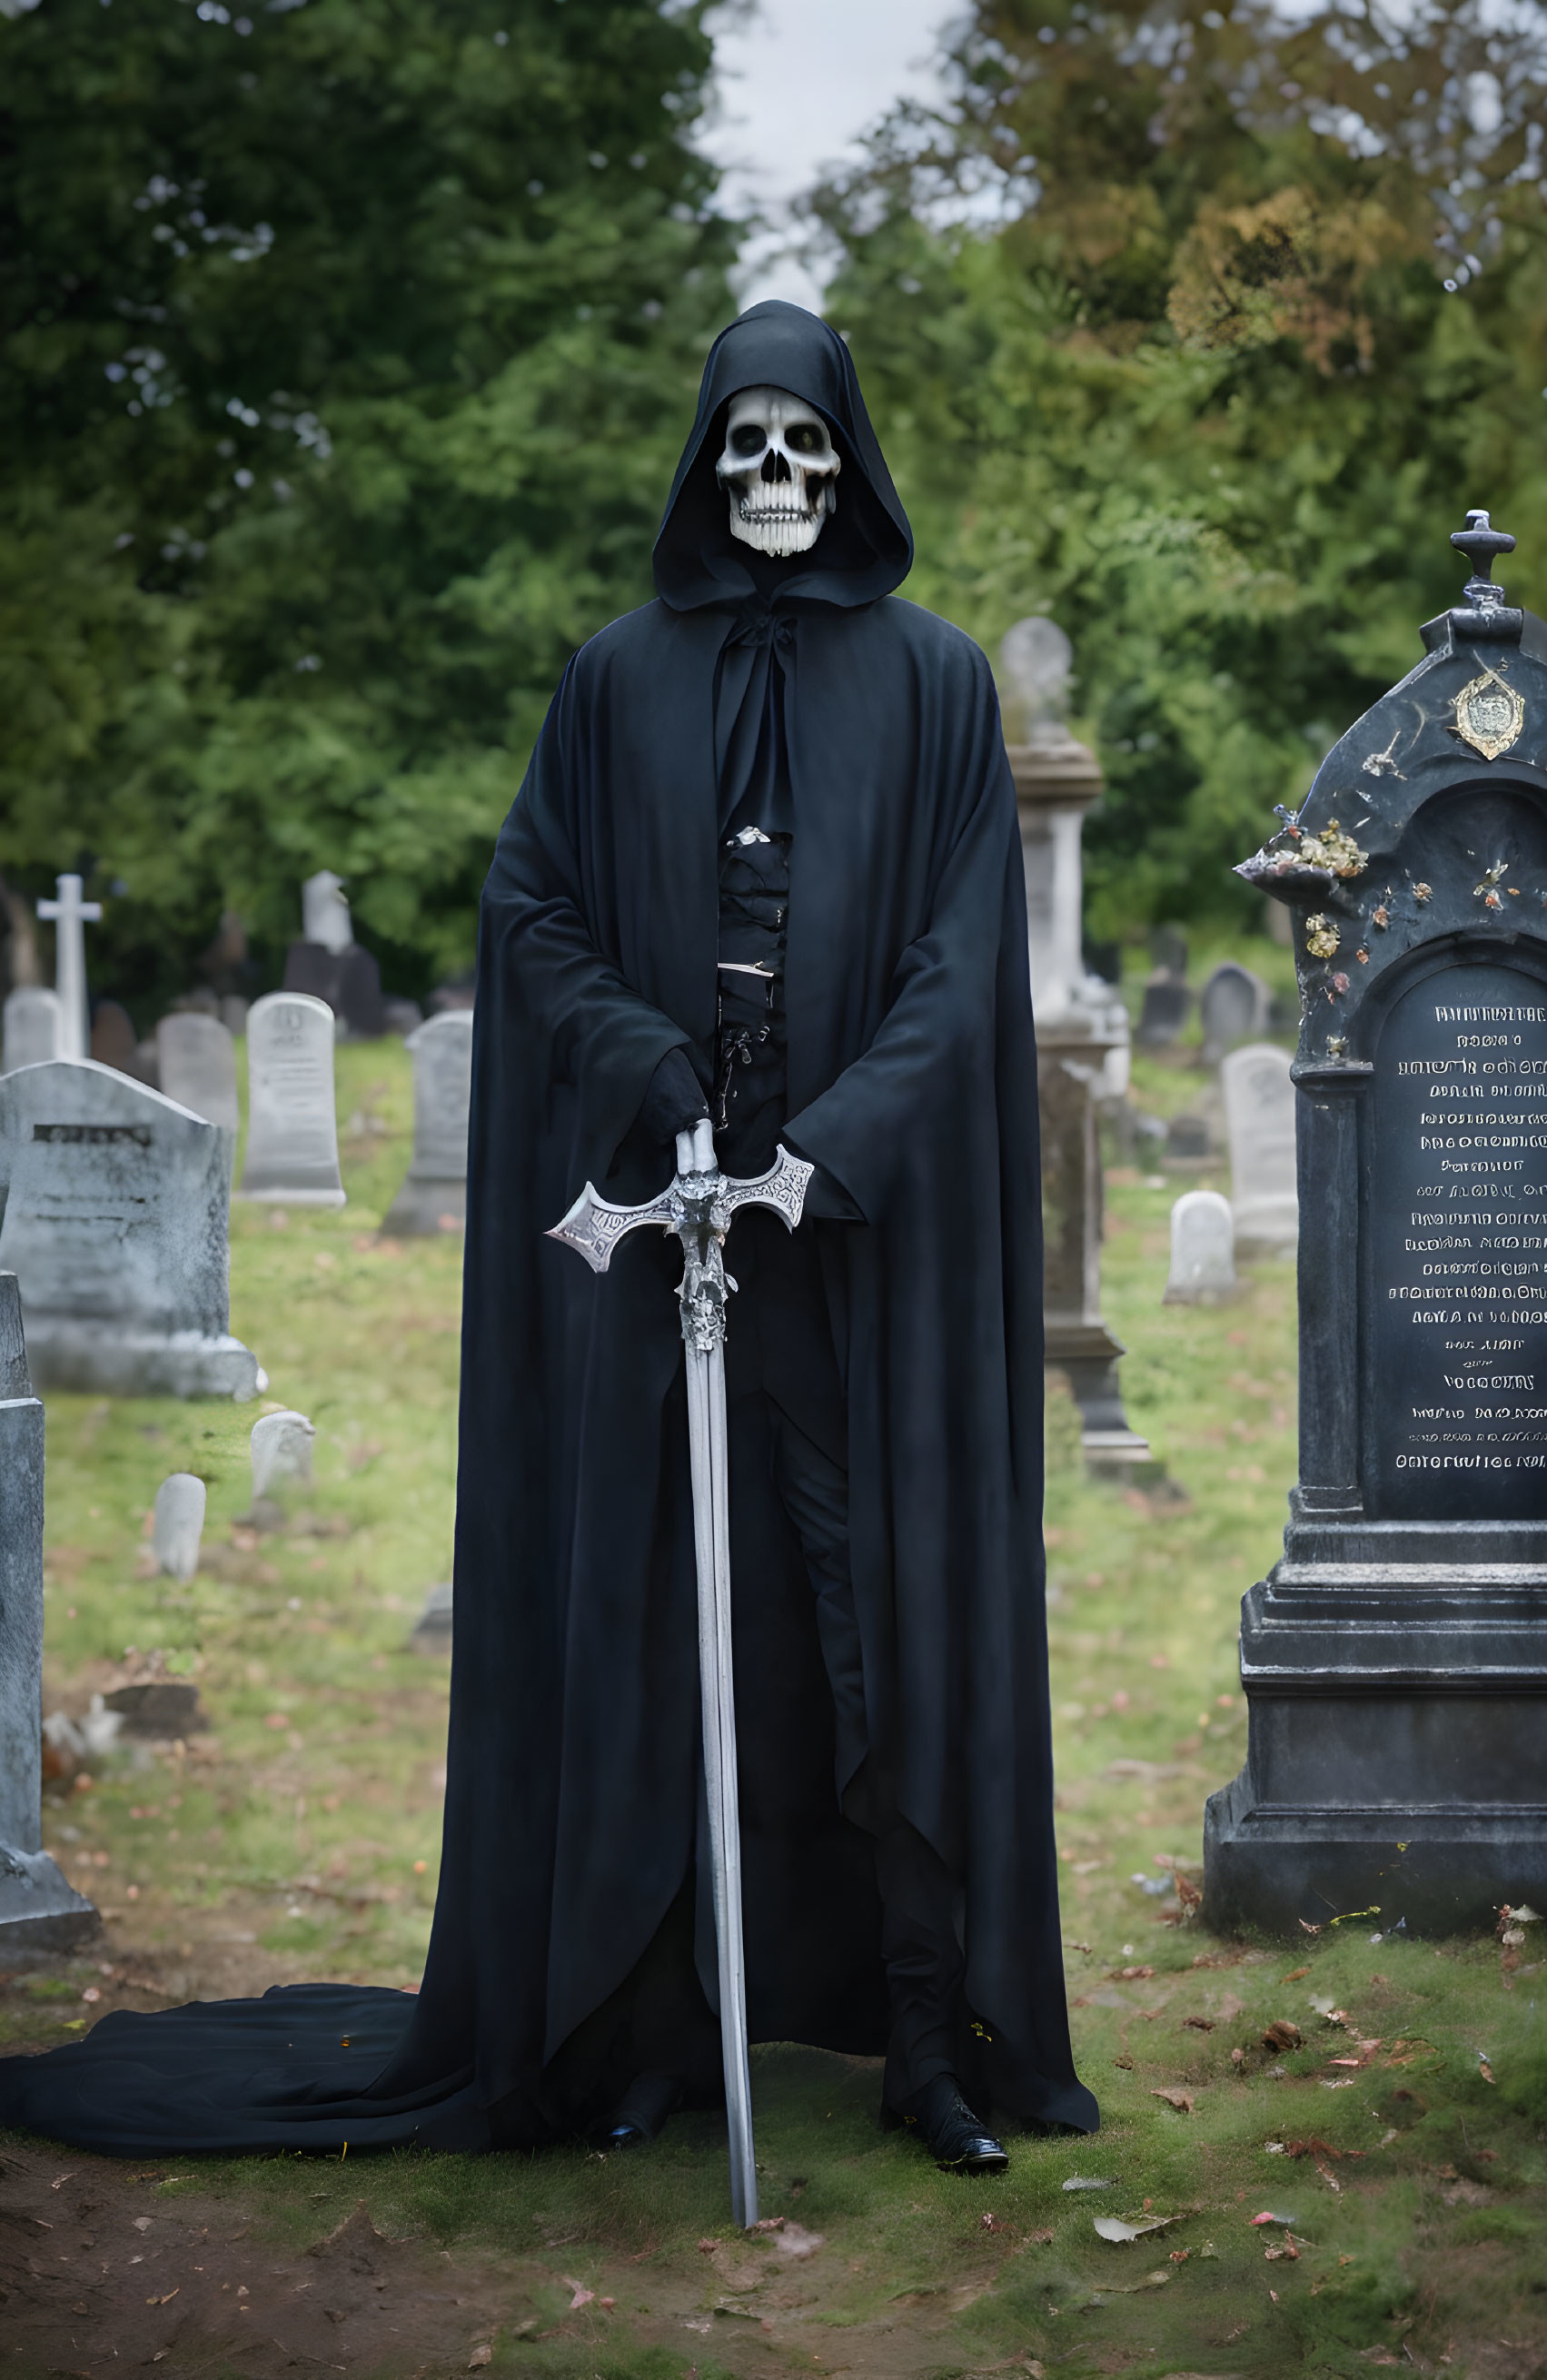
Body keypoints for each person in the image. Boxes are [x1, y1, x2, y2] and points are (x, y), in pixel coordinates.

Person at [0, 302, 1096, 2171]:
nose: (771, 479)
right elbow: (530, 904)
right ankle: (643, 2021)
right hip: (658, 1250)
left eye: (802, 447)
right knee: (662, 1618)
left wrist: (825, 1145)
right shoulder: (612, 682)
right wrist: (645, 1058)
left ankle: (923, 2035)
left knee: (871, 1627)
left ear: (845, 466)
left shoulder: (928, 689)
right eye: (741, 446)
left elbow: (958, 960)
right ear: (701, 465)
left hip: (854, 1262)